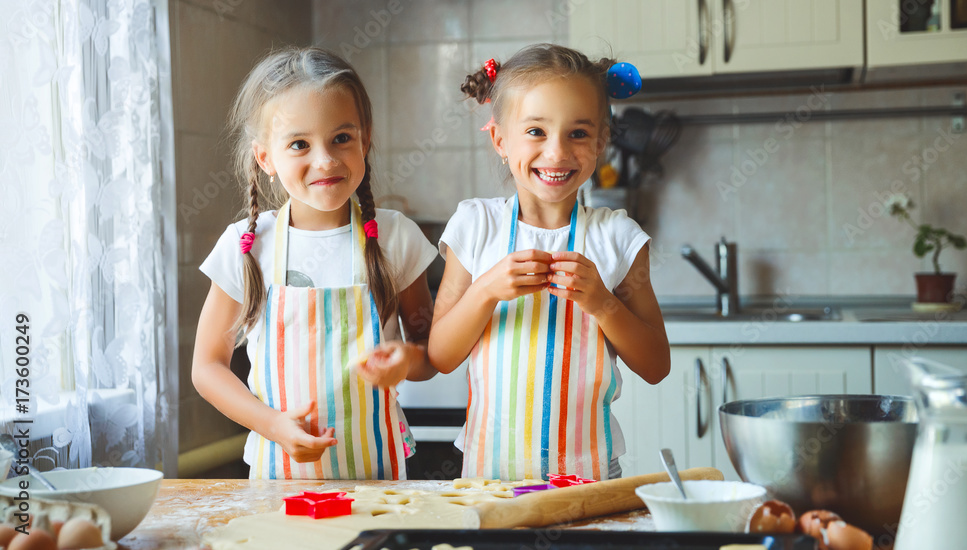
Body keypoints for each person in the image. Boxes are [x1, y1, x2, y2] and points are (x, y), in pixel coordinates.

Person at [428, 44, 671, 482]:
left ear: (601, 142)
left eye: (578, 134)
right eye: (536, 132)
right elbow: (441, 355)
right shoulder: (475, 225)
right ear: (500, 139)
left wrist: (603, 304)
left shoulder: (618, 237)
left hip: (592, 475)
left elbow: (655, 366)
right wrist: (485, 290)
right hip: (489, 478)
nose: (557, 153)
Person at [192, 47, 438, 480]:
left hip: (379, 481)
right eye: (300, 144)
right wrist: (271, 424)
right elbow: (207, 366)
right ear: (265, 158)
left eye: (341, 138)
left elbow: (430, 352)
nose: (324, 160)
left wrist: (407, 360)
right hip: (277, 480)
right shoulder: (247, 246)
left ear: (365, 138)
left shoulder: (396, 236)